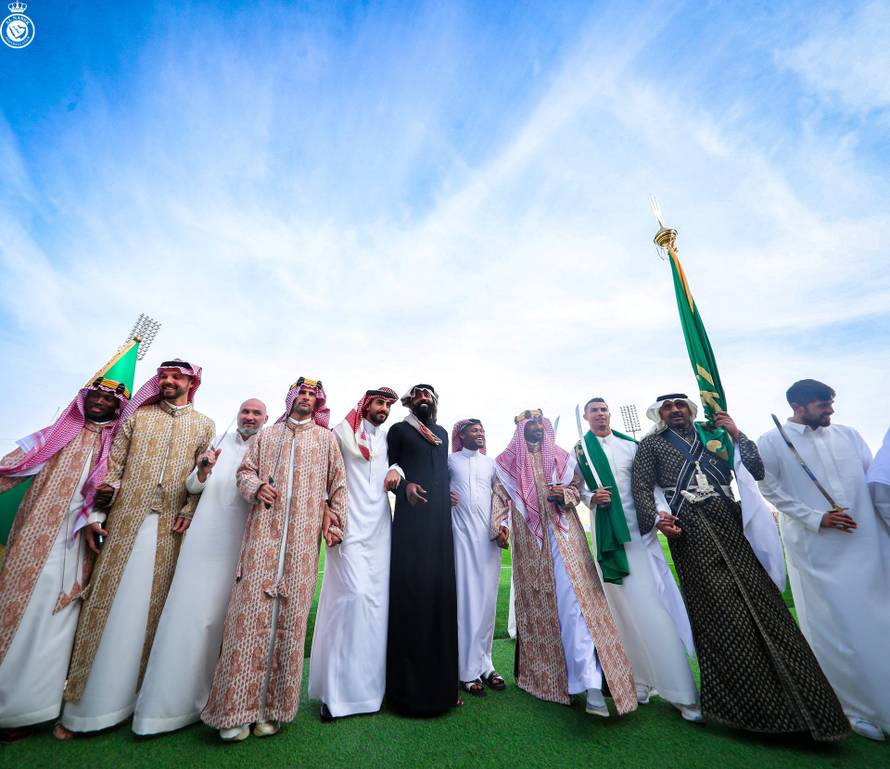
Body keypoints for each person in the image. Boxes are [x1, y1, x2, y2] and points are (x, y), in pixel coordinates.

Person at [631, 393, 848, 741]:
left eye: (680, 405)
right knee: (718, 613)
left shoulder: (714, 435)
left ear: (690, 410)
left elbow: (755, 469)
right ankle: (745, 710)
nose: (674, 410)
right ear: (659, 414)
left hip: (732, 523)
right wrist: (658, 519)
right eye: (667, 407)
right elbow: (641, 486)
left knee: (766, 608)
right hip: (689, 531)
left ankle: (810, 709)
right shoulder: (650, 445)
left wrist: (737, 433)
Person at [61, 359, 215, 736]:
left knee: (151, 611)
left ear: (191, 382)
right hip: (124, 523)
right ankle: (84, 711)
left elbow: (200, 480)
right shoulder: (138, 418)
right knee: (107, 606)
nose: (168, 381)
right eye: (163, 376)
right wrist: (98, 512)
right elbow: (112, 470)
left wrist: (188, 508)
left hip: (168, 532)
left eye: (176, 376)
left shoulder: (204, 425)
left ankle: (136, 704)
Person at [0, 343, 135, 740]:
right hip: (33, 538)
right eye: (95, 395)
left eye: (109, 399)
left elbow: (119, 486)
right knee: (13, 610)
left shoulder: (116, 449)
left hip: (78, 545)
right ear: (84, 397)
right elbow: (11, 467)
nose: (100, 402)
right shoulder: (54, 435)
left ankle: (27, 711)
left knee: (54, 617)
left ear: (118, 407)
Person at [201, 378, 346, 741]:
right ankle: (234, 712)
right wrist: (256, 488)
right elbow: (244, 472)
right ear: (291, 397)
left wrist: (335, 523)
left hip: (302, 546)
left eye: (312, 395)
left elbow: (338, 486)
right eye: (302, 393)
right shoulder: (268, 437)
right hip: (261, 539)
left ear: (318, 402)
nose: (306, 398)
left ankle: (272, 712)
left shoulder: (326, 440)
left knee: (290, 624)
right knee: (246, 619)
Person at [758, 379, 890, 741]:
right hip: (816, 547)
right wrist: (816, 518)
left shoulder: (848, 435)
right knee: (836, 627)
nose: (831, 410)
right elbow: (769, 488)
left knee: (878, 618)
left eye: (831, 403)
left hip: (866, 541)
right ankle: (855, 709)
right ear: (798, 407)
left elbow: (873, 482)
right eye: (823, 405)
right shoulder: (771, 441)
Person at [133, 398, 269, 735]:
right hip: (204, 539)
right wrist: (203, 470)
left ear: (265, 419)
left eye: (256, 414)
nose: (249, 418)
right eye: (245, 412)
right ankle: (169, 708)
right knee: (189, 614)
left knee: (229, 622)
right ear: (238, 414)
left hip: (243, 544)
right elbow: (192, 485)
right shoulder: (218, 442)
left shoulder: (268, 449)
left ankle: (223, 700)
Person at [492, 410, 636, 718]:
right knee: (544, 612)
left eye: (540, 423)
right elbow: (500, 500)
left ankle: (591, 685)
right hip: (530, 549)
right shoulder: (506, 462)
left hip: (566, 540)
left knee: (576, 607)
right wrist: (499, 526)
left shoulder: (560, 457)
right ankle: (551, 681)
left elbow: (576, 490)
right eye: (531, 424)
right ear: (520, 430)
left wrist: (564, 494)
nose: (537, 428)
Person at [575, 398, 700, 721]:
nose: (601, 414)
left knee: (652, 609)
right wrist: (590, 497)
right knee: (621, 614)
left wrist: (661, 515)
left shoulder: (632, 446)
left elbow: (652, 488)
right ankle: (640, 681)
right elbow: (578, 489)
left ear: (609, 413)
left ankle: (681, 692)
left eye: (604, 409)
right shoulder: (580, 451)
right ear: (586, 417)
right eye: (594, 410)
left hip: (639, 535)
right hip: (607, 538)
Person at [309, 387, 398, 722]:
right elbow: (322, 473)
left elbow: (400, 464)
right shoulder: (341, 434)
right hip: (346, 528)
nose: (384, 408)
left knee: (376, 607)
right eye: (379, 403)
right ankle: (335, 696)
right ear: (366, 405)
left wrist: (399, 470)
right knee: (351, 600)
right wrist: (324, 510)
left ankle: (370, 693)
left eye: (388, 404)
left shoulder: (388, 440)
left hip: (380, 531)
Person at [384, 384, 458, 716]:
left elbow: (442, 473)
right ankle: (407, 693)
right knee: (412, 598)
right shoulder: (399, 431)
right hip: (411, 526)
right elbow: (389, 469)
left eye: (429, 394)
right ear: (409, 402)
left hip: (440, 527)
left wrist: (447, 493)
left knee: (439, 597)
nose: (424, 398)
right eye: (418, 394)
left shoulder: (441, 434)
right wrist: (405, 487)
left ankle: (443, 688)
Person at [448, 419, 504, 698]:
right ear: (461, 435)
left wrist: (503, 528)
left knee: (487, 603)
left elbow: (501, 499)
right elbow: (435, 486)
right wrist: (443, 495)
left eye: (482, 430)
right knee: (466, 603)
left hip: (488, 543)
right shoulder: (450, 461)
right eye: (474, 430)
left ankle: (486, 664)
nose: (480, 433)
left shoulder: (491, 464)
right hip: (460, 540)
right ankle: (466, 671)